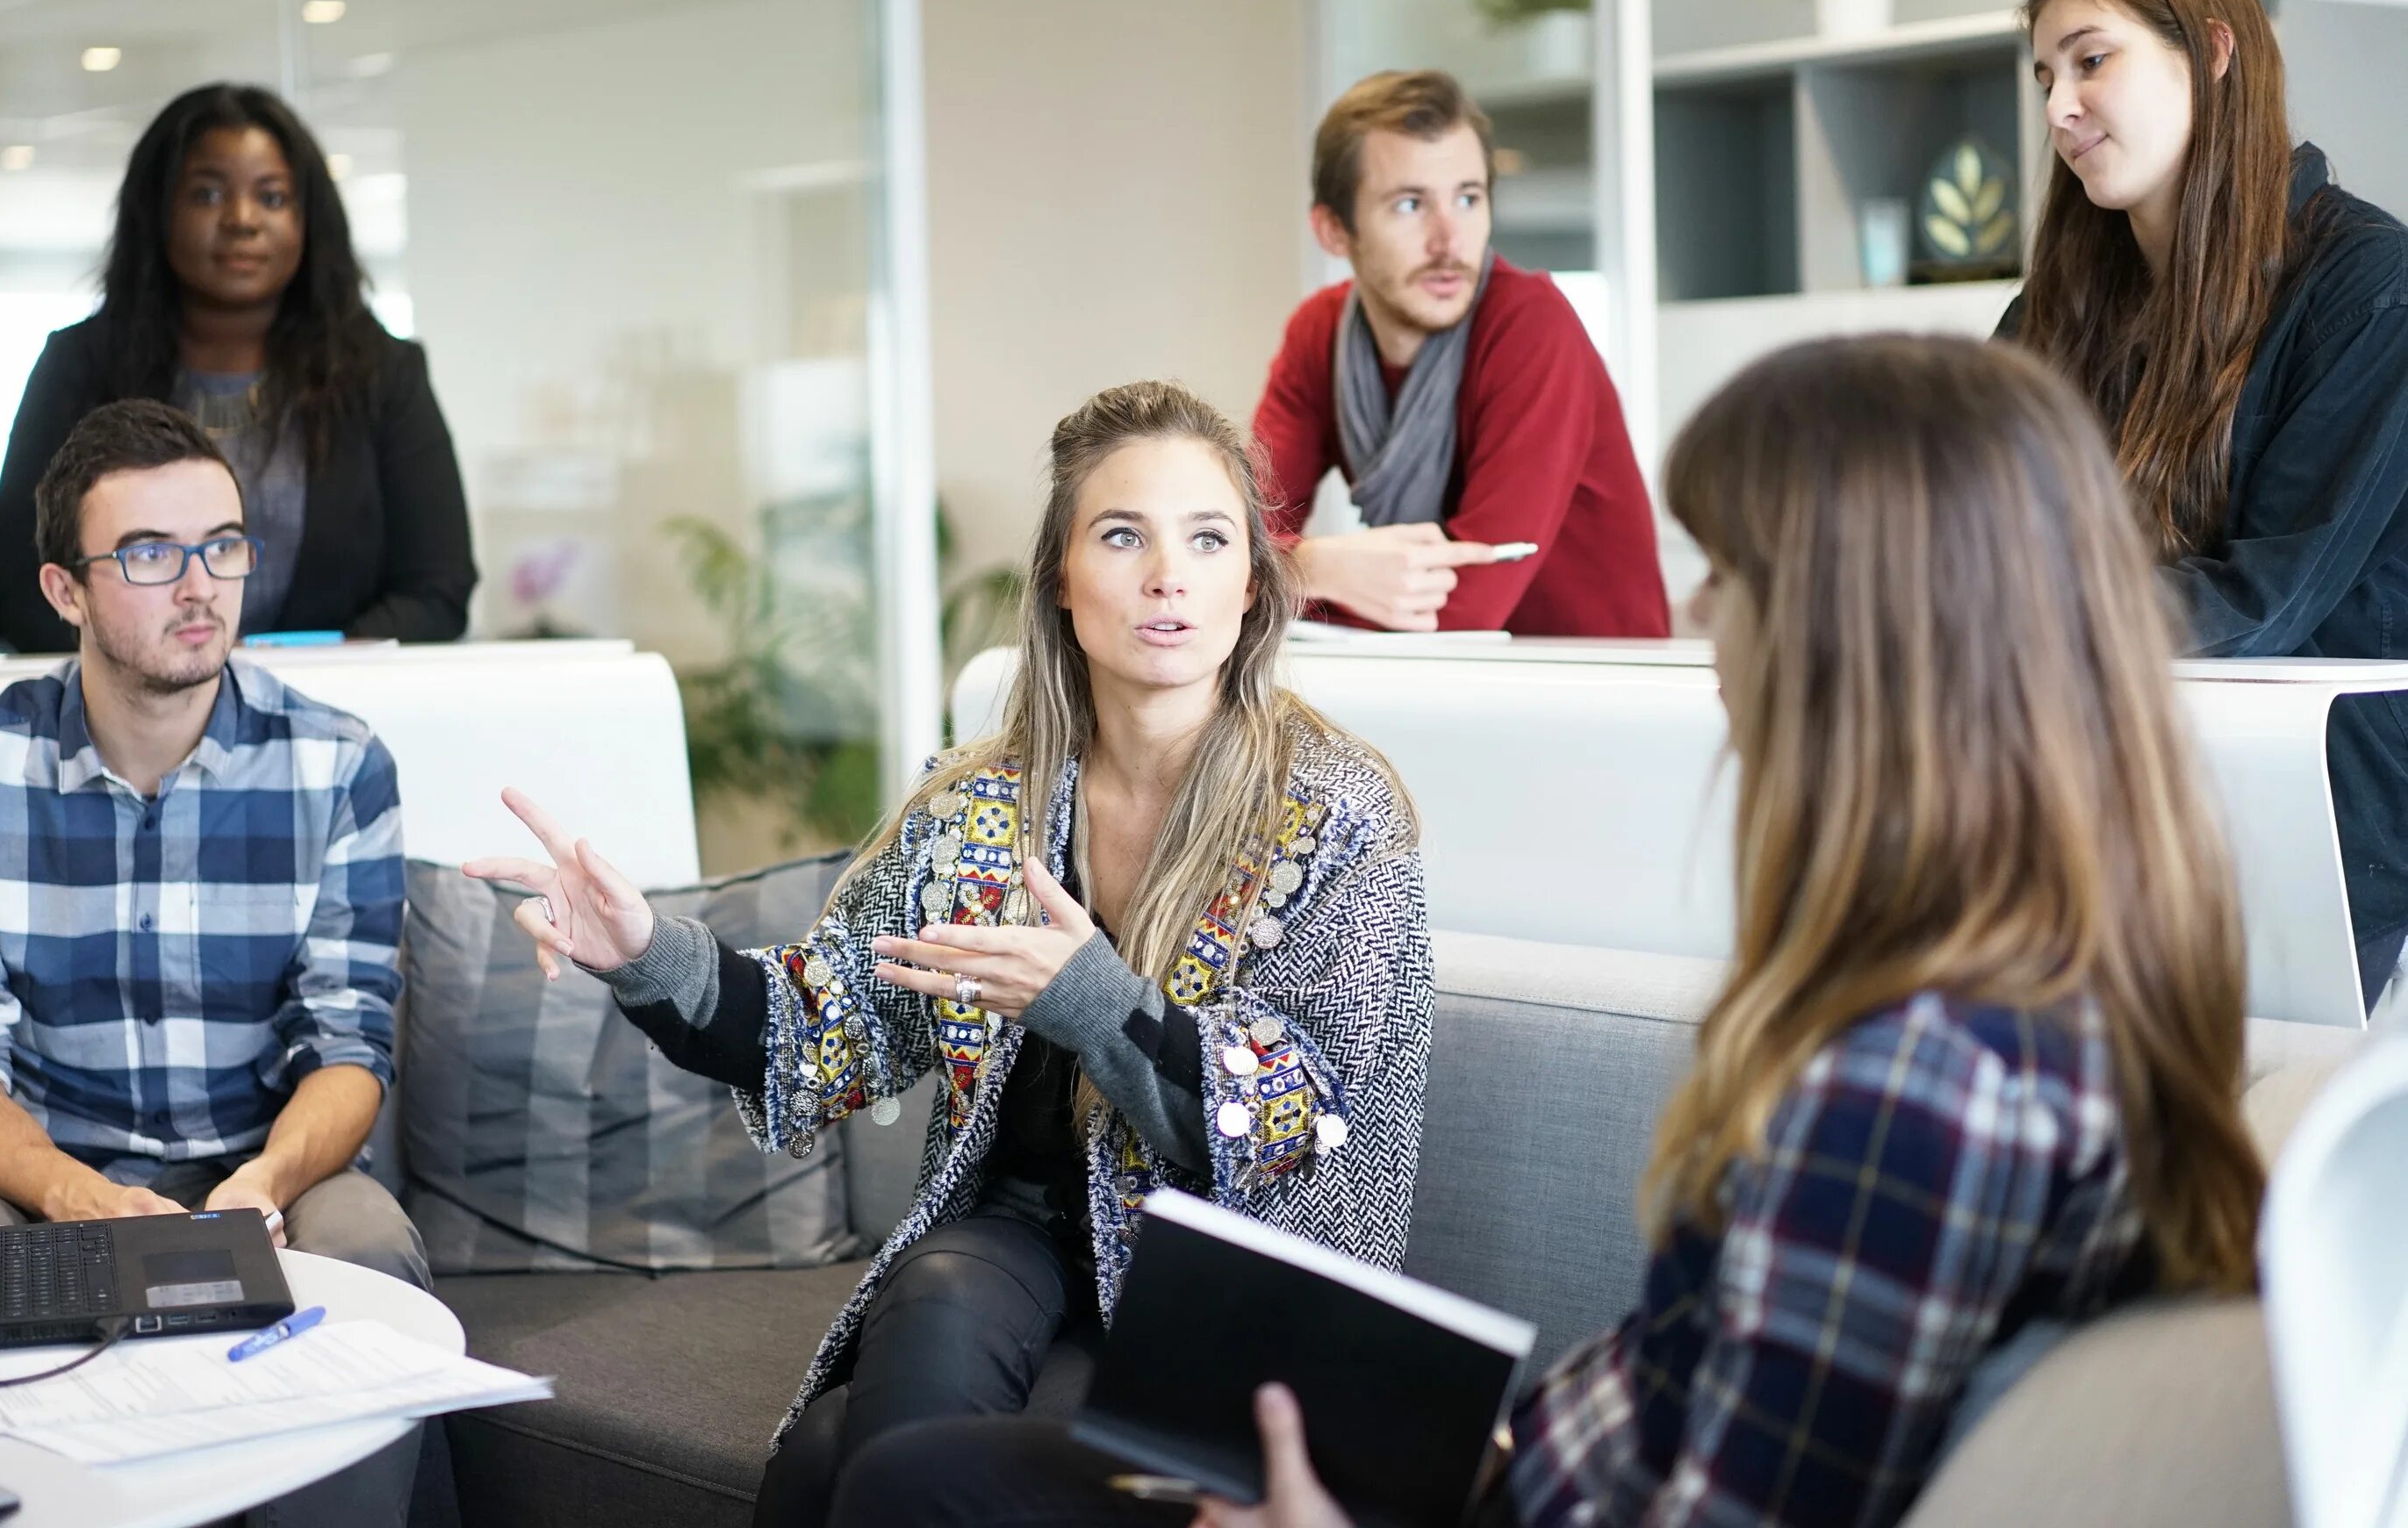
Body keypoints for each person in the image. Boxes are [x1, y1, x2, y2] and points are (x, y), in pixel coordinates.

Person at [841, 335, 2266, 1528]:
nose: (1702, 619)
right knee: (901, 1466)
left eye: (1733, 575)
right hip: (1507, 1472)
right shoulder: (2027, 995)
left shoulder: (1914, 1087)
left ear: (1864, 637)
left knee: (919, 1491)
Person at [467, 380, 1433, 1525]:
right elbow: (814, 1028)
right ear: (1063, 584)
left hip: (1232, 1286)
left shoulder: (1337, 811)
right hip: (1020, 1237)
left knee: (838, 1454)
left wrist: (1087, 998)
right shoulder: (983, 807)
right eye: (1122, 536)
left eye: (1207, 538)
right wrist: (640, 951)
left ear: (1251, 588)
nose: (1168, 573)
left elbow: (1290, 1120)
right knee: (930, 1303)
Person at [0, 402, 428, 1523]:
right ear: (65, 590)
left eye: (222, 544)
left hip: (269, 1168)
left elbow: (349, 1040)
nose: (201, 584)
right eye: (149, 552)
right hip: (41, 1174)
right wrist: (75, 1197)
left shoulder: (339, 766)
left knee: (368, 1244)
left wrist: (261, 1189)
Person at [2004, 0, 2408, 1008]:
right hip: (2102, 796)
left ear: (2214, 52)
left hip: (2321, 823)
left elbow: (2266, 597)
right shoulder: (2051, 314)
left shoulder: (2370, 285)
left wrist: (2001, 619)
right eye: (2046, 75)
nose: (2058, 108)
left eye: (2093, 60)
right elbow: (1970, 532)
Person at [0, 82, 475, 652]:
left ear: (309, 220)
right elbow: (20, 593)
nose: (242, 220)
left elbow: (438, 591)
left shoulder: (384, 375)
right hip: (132, 724)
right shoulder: (79, 368)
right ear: (157, 210)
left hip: (334, 715)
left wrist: (290, 673)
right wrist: (171, 667)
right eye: (208, 196)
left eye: (272, 198)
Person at [1250, 69, 1666, 637]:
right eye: (1409, 205)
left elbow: (1467, 607)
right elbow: (1230, 539)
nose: (1449, 240)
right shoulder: (1318, 334)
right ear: (1333, 231)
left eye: (1468, 198)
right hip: (1440, 687)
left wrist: (1278, 577)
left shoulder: (1531, 326)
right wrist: (1315, 566)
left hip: (1593, 693)